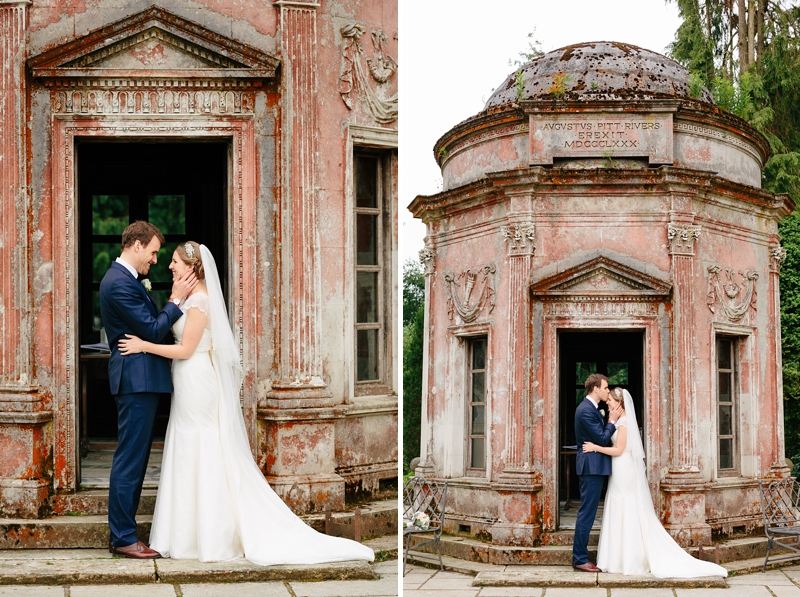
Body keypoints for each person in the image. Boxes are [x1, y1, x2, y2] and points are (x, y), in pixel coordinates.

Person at [118, 242, 374, 564]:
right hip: (186, 380)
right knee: (187, 444)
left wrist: (144, 345)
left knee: (202, 445)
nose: (169, 266)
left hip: (197, 379)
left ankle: (210, 536)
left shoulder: (199, 302)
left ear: (191, 267)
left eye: (174, 262)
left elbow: (185, 350)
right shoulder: (186, 298)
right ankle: (186, 534)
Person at [99, 221, 198, 559]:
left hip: (141, 378)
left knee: (136, 458)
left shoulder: (125, 279)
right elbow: (155, 330)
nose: (155, 260)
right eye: (154, 252)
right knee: (130, 458)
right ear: (137, 246)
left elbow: (149, 328)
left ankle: (123, 534)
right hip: (135, 379)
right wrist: (176, 299)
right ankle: (123, 537)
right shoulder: (118, 283)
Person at [583, 387, 727, 578]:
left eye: (610, 400)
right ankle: (616, 558)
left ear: (620, 403)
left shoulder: (624, 423)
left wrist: (596, 447)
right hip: (618, 470)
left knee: (626, 505)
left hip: (624, 469)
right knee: (618, 504)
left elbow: (618, 450)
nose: (607, 402)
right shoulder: (618, 421)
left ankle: (629, 559)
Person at [572, 373, 622, 572]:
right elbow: (601, 439)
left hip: (595, 466)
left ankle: (580, 557)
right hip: (590, 467)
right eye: (605, 387)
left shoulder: (592, 409)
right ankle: (580, 558)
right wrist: (611, 420)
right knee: (587, 513)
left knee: (589, 512)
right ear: (595, 389)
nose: (607, 391)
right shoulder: (585, 410)